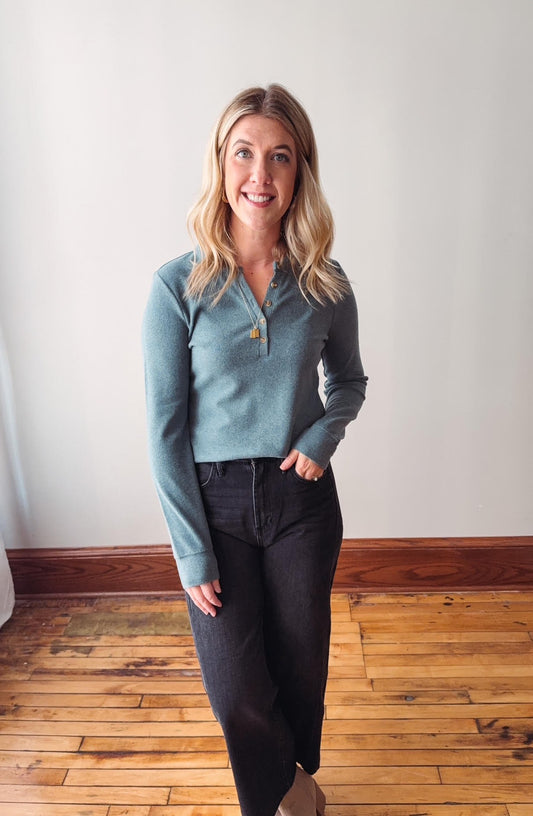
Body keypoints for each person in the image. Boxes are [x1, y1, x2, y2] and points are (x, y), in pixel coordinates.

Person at [142, 84, 367, 816]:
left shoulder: (325, 285)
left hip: (301, 501)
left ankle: (282, 789)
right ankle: (288, 794)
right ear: (220, 161)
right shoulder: (176, 286)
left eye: (279, 156)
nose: (259, 175)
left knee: (298, 667)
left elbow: (350, 383)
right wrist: (189, 550)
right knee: (236, 684)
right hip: (216, 508)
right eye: (244, 153)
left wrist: (319, 435)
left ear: (300, 170)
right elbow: (164, 429)